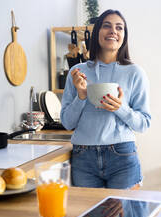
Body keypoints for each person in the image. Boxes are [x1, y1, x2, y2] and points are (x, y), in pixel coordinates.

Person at [60, 9, 151, 189]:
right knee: (86, 215)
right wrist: (81, 97)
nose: (113, 31)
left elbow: (144, 123)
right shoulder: (77, 72)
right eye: (106, 26)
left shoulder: (135, 73)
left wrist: (120, 108)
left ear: (124, 36)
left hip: (122, 155)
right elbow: (67, 123)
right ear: (97, 33)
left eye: (119, 27)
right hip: (83, 157)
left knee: (123, 215)